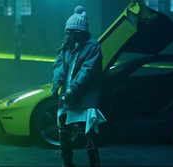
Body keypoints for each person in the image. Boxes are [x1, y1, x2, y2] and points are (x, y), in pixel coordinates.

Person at [50, 5, 107, 167]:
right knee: (64, 134)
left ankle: (94, 164)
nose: (70, 36)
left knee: (87, 135)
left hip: (85, 98)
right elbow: (59, 64)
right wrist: (56, 83)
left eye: (74, 33)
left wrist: (71, 90)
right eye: (68, 32)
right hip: (67, 97)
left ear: (82, 32)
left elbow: (86, 72)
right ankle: (67, 163)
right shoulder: (67, 44)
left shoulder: (93, 45)